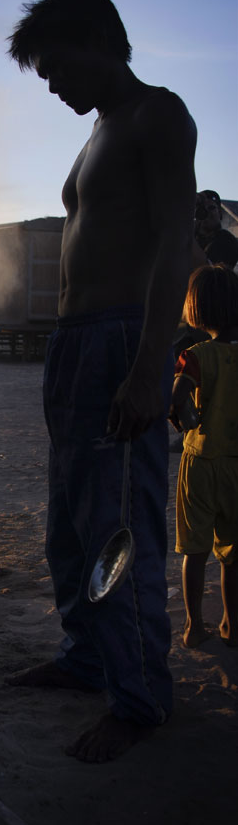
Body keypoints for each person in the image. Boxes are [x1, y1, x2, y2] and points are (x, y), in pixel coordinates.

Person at [6, 0, 197, 762]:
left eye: (54, 67)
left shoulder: (158, 114)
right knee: (71, 522)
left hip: (122, 339)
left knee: (121, 527)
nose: (50, 85)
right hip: (75, 343)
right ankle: (87, 659)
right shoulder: (100, 129)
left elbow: (176, 240)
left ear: (97, 41)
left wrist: (151, 365)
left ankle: (138, 697)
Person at [169, 265, 238, 649]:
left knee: (195, 550)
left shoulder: (195, 356)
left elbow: (178, 395)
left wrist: (185, 418)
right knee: (234, 552)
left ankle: (195, 627)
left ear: (198, 309)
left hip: (200, 462)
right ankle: (232, 624)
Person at [194, 190, 238, 269]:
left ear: (220, 213)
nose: (206, 212)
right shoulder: (192, 235)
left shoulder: (226, 240)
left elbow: (206, 268)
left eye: (211, 208)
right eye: (201, 209)